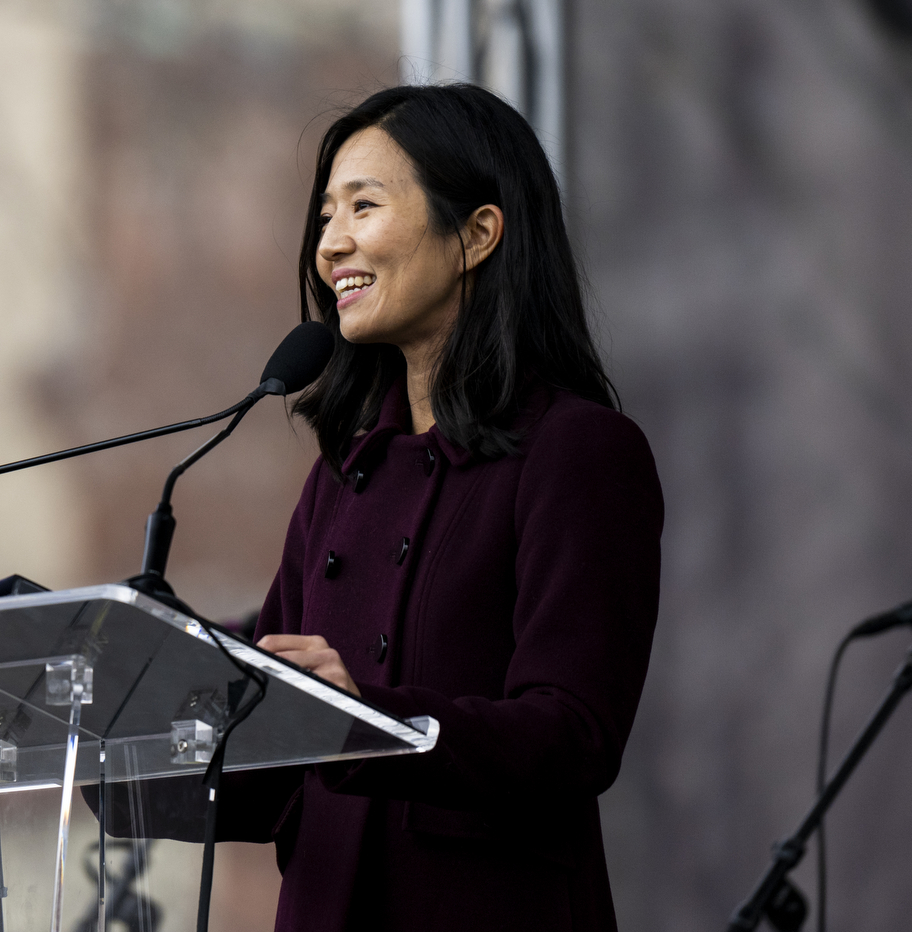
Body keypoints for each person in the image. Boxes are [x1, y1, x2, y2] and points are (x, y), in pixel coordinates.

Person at [215, 84, 664, 932]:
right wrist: (131, 734)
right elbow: (274, 753)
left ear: (477, 234)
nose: (330, 244)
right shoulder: (343, 477)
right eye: (323, 217)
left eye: (363, 207)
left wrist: (363, 721)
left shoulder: (580, 452)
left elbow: (573, 735)